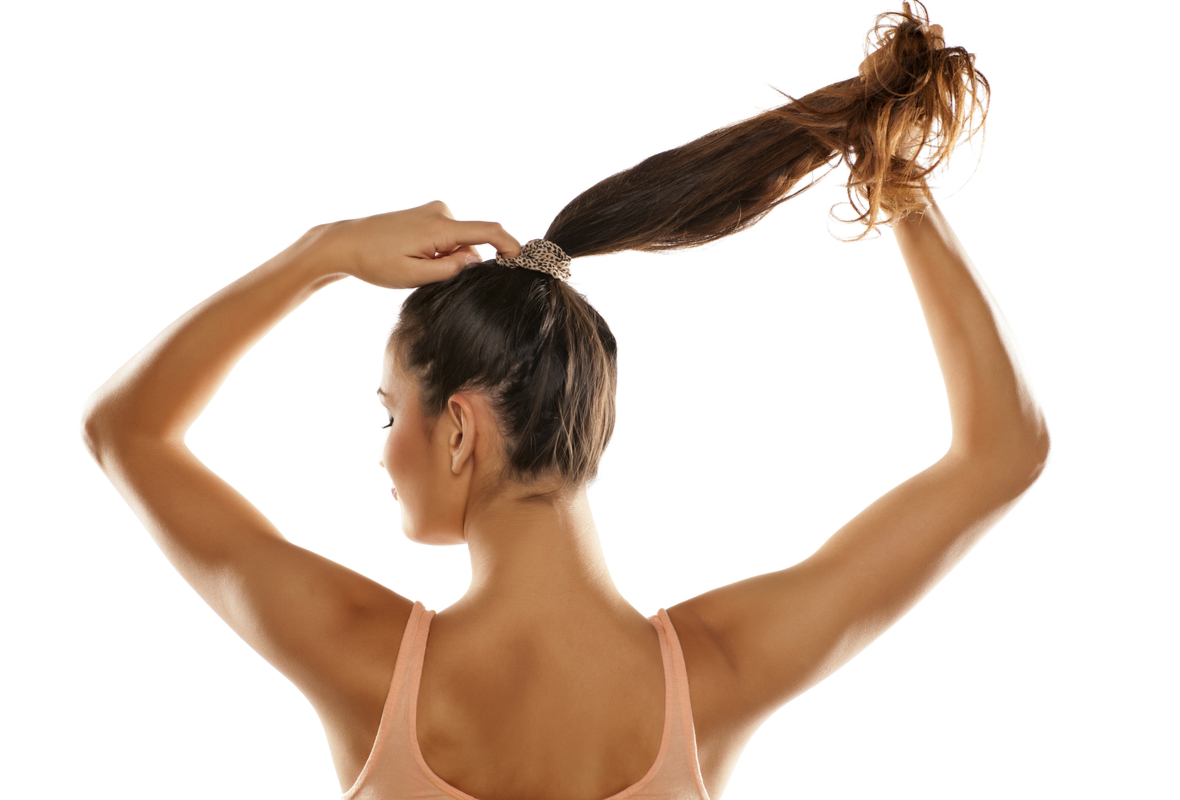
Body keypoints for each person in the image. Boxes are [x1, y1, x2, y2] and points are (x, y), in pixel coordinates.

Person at [81, 3, 1049, 798]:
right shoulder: (715, 674)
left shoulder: (363, 663)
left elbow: (126, 429)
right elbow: (1003, 450)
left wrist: (324, 250)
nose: (382, 453)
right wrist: (889, 170)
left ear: (459, 429)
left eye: (390, 414)